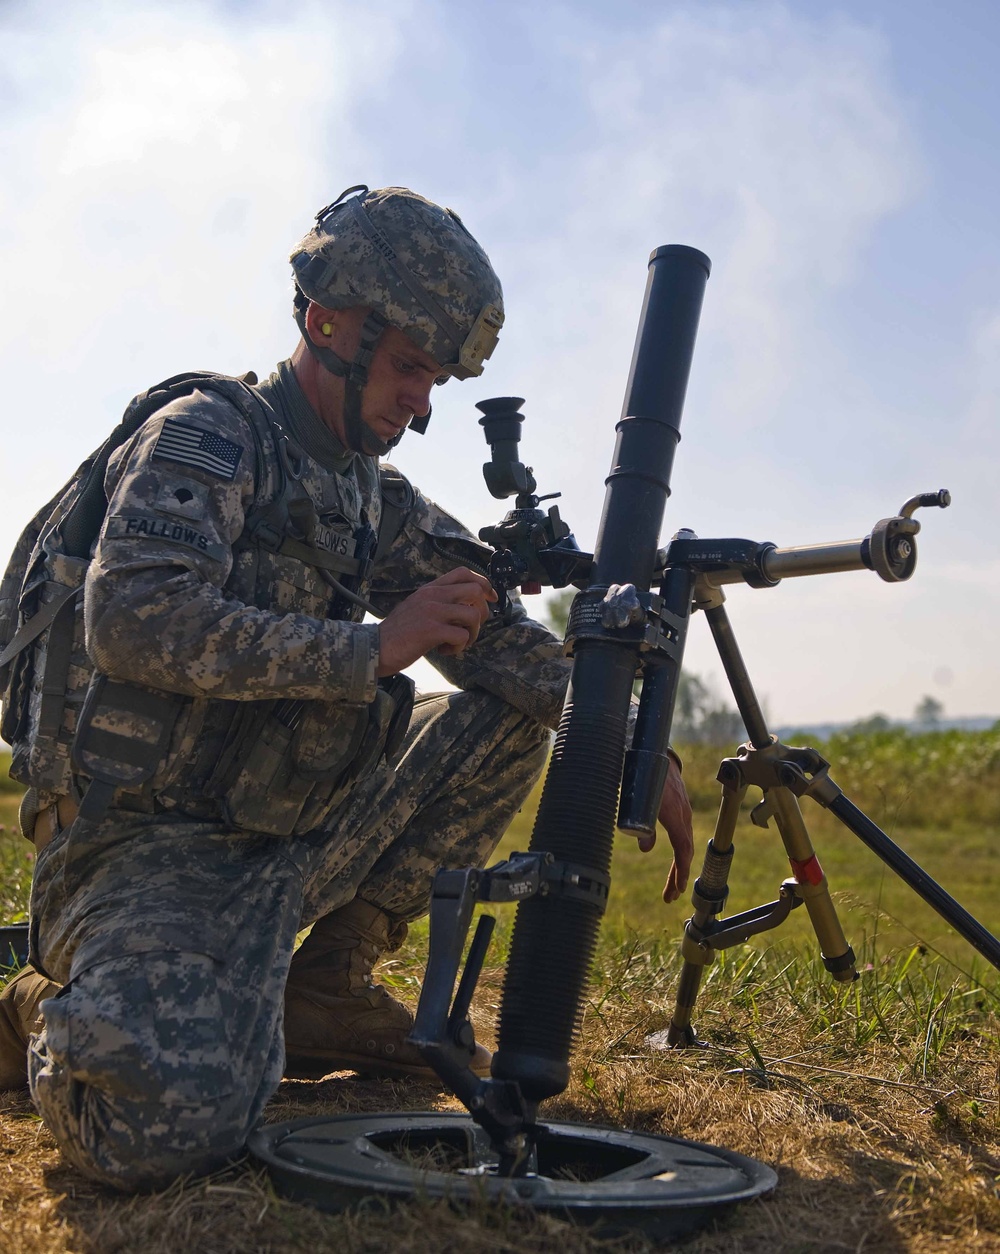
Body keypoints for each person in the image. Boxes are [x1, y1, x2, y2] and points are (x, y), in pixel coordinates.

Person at [0, 185, 693, 1190]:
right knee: (159, 1137)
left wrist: (626, 742)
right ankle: (33, 997)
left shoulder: (370, 491)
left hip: (289, 835)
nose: (420, 402)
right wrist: (370, 649)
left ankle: (325, 984)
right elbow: (133, 621)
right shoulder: (207, 436)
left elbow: (496, 643)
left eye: (435, 380)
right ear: (328, 325)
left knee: (499, 710)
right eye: (410, 367)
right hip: (137, 851)